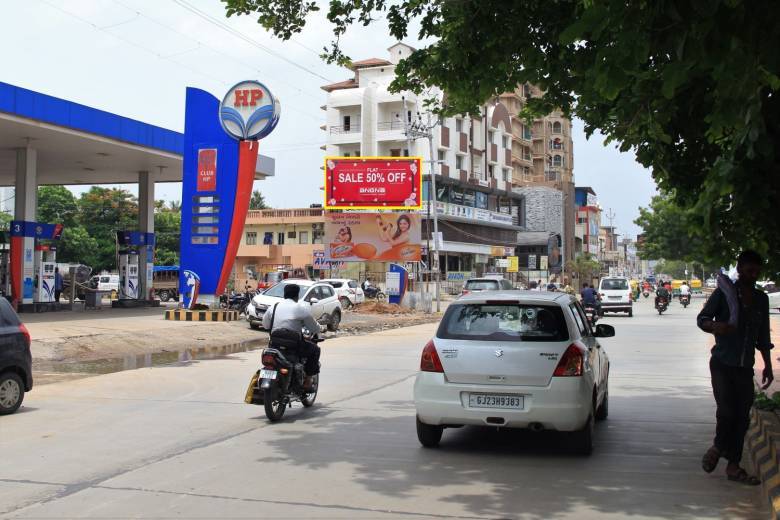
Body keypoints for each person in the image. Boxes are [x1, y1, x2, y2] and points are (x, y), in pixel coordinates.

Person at [698, 250, 774, 485]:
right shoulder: (725, 293)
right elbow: (702, 319)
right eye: (749, 270)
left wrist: (768, 366)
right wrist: (716, 327)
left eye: (757, 271)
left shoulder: (762, 299)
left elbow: (762, 337)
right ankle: (719, 446)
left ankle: (733, 465)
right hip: (721, 363)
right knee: (727, 411)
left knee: (742, 417)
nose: (753, 274)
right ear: (740, 269)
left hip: (744, 367)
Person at [262, 283, 321, 390]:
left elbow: (265, 325)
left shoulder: (274, 307)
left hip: (274, 344)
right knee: (315, 350)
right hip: (293, 346)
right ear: (297, 296)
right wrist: (320, 328)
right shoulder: (299, 308)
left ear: (284, 294)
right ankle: (308, 381)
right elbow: (314, 327)